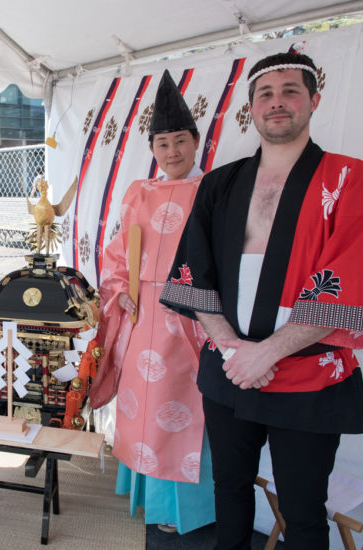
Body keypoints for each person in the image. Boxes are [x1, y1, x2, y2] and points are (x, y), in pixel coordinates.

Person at [159, 50, 363, 550]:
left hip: (308, 377)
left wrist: (267, 352)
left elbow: (350, 281)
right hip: (227, 368)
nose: (277, 102)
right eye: (265, 93)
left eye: (290, 91)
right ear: (251, 108)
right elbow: (193, 271)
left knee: (304, 510)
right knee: (230, 490)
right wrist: (232, 348)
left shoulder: (351, 179)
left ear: (314, 100)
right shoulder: (220, 182)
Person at [91, 69, 214, 535]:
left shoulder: (212, 191)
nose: (172, 152)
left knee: (180, 409)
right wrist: (121, 289)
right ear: (152, 150)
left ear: (195, 140)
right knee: (140, 409)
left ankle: (181, 512)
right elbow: (119, 251)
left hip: (189, 319)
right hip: (140, 315)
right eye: (162, 145)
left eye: (180, 141)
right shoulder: (138, 193)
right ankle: (144, 498)